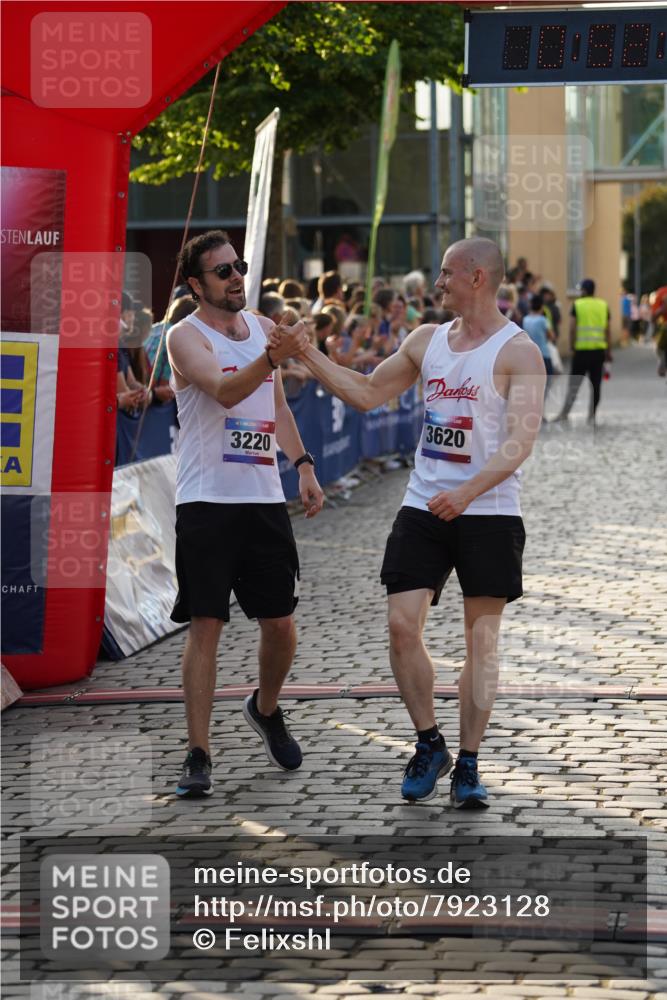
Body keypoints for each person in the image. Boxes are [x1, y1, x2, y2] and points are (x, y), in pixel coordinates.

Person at [280, 237, 545, 809]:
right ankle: (430, 743)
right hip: (424, 505)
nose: (437, 282)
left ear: (477, 278)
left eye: (447, 273)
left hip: (489, 511)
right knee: (402, 627)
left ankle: (469, 762)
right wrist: (306, 354)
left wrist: (469, 491)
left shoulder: (519, 353)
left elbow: (521, 441)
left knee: (481, 641)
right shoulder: (426, 341)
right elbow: (369, 393)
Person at [166, 229, 325, 798]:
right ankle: (198, 752)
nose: (236, 278)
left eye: (239, 266)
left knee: (280, 624)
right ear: (196, 284)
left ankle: (265, 706)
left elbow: (274, 404)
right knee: (206, 623)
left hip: (261, 501)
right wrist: (272, 356)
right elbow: (226, 392)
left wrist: (303, 464)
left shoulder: (260, 327)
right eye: (223, 271)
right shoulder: (185, 338)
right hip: (207, 501)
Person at [555, 278, 612, 424]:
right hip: (598, 352)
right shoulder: (603, 305)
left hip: (581, 352)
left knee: (574, 384)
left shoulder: (577, 305)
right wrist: (609, 351)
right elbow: (607, 330)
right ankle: (591, 416)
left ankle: (564, 413)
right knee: (596, 385)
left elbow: (572, 328)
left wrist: (572, 345)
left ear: (585, 290)